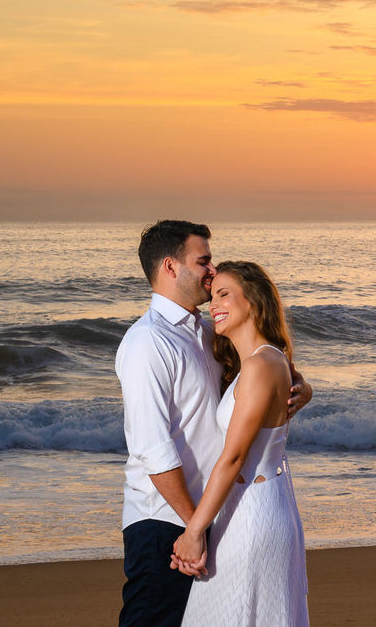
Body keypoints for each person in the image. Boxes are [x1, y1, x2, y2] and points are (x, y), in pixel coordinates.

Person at [115, 221, 311, 627]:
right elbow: (154, 452)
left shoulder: (209, 331)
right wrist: (193, 527)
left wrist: (302, 386)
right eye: (202, 261)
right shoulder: (147, 343)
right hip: (165, 522)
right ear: (170, 267)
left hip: (213, 517)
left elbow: (267, 368)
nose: (210, 270)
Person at [172, 261, 310, 626]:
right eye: (211, 296)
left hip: (252, 515)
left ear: (253, 302)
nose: (212, 304)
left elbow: (233, 458)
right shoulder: (266, 361)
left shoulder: (261, 365)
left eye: (224, 294)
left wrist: (192, 532)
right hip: (255, 506)